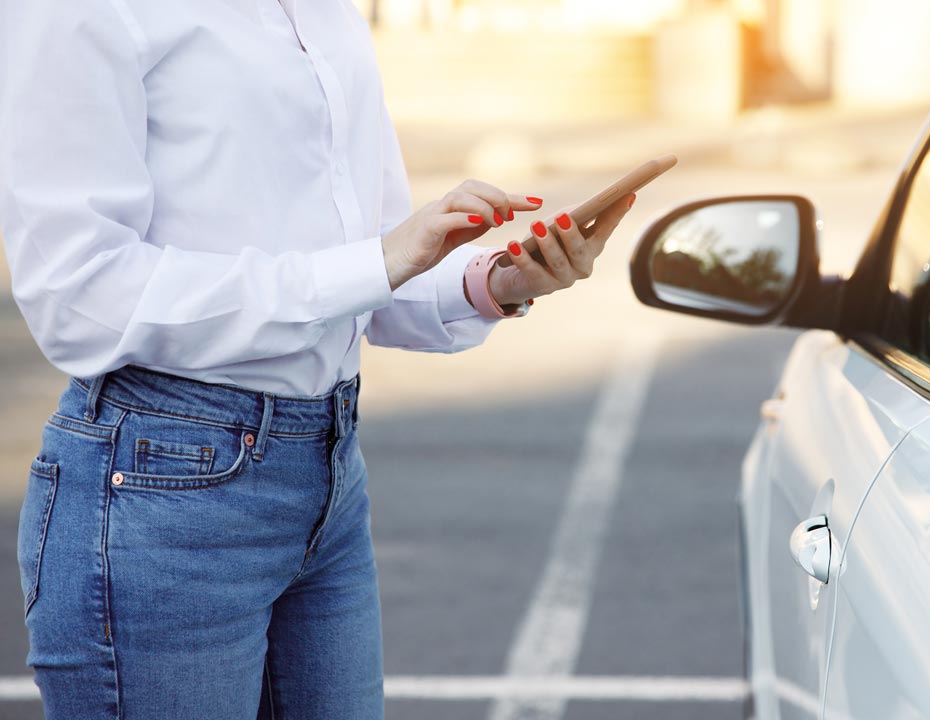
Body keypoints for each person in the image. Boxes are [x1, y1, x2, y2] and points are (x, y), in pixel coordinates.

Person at [0, 1, 635, 717]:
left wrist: (495, 281)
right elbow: (79, 297)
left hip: (327, 476)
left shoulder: (323, 10)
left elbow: (367, 268)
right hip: (160, 489)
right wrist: (376, 263)